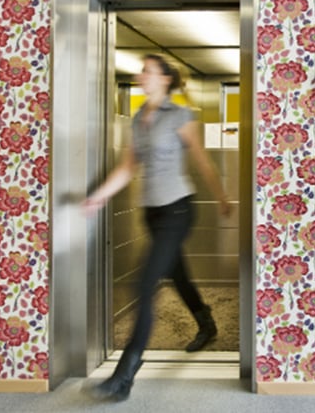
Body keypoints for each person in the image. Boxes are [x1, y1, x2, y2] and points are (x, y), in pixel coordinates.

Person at [82, 54, 231, 401]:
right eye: (141, 71)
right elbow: (128, 166)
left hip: (178, 210)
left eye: (147, 71)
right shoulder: (138, 119)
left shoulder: (180, 116)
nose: (141, 76)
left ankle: (123, 375)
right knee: (177, 273)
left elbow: (202, 160)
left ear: (164, 79)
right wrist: (98, 197)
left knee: (144, 283)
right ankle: (206, 323)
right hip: (151, 213)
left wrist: (223, 197)